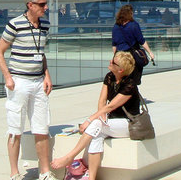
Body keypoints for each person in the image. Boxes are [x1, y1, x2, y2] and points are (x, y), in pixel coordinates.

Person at [50, 51, 142, 179]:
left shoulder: (130, 85)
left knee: (95, 124)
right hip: (112, 122)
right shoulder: (110, 77)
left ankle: (70, 157)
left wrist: (90, 120)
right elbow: (102, 101)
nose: (110, 62)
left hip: (128, 124)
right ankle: (91, 177)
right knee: (96, 136)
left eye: (113, 62)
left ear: (121, 70)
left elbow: (110, 106)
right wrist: (99, 116)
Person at [0, 0, 55, 180]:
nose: (45, 7)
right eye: (42, 4)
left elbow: (41, 52)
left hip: (38, 81)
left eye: (46, 3)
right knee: (15, 129)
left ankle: (45, 172)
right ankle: (14, 173)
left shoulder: (45, 25)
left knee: (41, 128)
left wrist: (47, 75)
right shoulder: (15, 24)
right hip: (19, 81)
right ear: (30, 5)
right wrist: (8, 77)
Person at [112, 4, 155, 85]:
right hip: (131, 56)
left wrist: (115, 57)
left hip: (119, 55)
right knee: (133, 79)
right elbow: (141, 41)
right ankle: (132, 95)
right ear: (130, 13)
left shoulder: (116, 26)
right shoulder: (133, 25)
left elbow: (114, 44)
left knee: (122, 78)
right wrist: (150, 52)